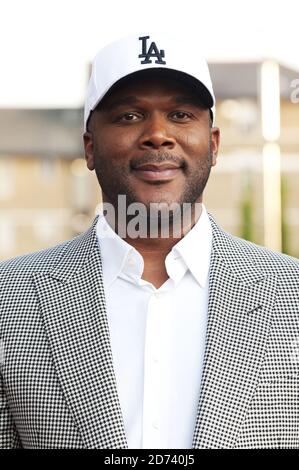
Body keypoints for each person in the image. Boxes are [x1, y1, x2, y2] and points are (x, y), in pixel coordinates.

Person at [0, 33, 298, 450]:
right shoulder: (9, 298)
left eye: (179, 114)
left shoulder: (292, 293)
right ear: (89, 147)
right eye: (128, 116)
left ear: (213, 145)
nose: (157, 134)